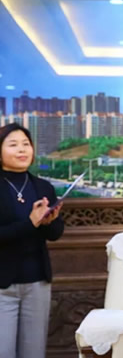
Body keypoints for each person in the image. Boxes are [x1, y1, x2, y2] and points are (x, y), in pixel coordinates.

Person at [0, 123, 65, 358]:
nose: (22, 150)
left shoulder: (42, 187)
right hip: (2, 285)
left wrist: (49, 222)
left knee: (34, 353)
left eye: (26, 144)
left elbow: (55, 234)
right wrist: (31, 223)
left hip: (37, 282)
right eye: (13, 144)